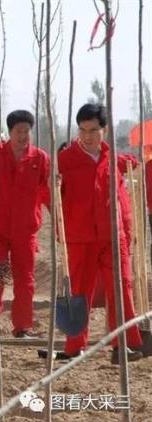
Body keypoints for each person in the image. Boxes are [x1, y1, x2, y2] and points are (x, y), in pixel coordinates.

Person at [58, 103, 143, 363]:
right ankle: (74, 347)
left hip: (112, 236)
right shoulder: (65, 161)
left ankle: (123, 345)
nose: (87, 136)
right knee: (80, 291)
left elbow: (122, 195)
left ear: (104, 130)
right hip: (80, 237)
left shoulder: (111, 157)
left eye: (93, 130)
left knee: (121, 288)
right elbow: (48, 192)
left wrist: (127, 231)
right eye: (82, 130)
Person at [0, 110, 50, 338]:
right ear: (9, 132)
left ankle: (22, 326)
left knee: (25, 280)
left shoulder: (40, 158)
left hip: (25, 230)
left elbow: (46, 192)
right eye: (19, 131)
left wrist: (56, 217)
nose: (23, 136)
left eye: (27, 132)